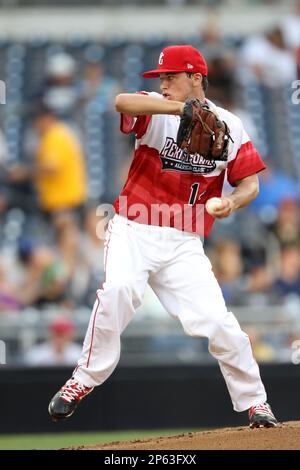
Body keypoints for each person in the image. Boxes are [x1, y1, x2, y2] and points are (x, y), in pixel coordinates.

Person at [48, 45, 278, 428]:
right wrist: (177, 109)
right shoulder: (155, 107)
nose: (164, 83)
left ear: (196, 78)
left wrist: (231, 203)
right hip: (134, 226)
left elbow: (250, 184)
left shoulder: (230, 125)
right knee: (119, 290)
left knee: (219, 322)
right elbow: (122, 102)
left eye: (171, 76)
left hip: (183, 240)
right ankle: (81, 381)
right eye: (162, 78)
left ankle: (257, 404)